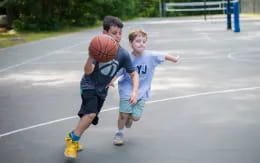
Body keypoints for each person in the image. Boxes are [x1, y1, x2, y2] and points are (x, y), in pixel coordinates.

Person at [64, 16, 139, 158]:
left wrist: (135, 91)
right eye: (114, 33)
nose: (118, 36)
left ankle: (72, 135)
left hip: (102, 89)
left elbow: (133, 74)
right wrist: (91, 57)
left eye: (120, 33)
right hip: (88, 84)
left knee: (90, 118)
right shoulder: (98, 47)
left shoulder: (122, 54)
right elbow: (87, 71)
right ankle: (72, 143)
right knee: (90, 114)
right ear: (104, 32)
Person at [112, 29, 179, 145]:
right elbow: (118, 72)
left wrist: (175, 59)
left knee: (136, 117)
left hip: (142, 91)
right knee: (123, 114)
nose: (141, 43)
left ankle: (129, 118)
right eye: (138, 41)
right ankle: (120, 133)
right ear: (131, 43)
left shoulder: (151, 56)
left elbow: (164, 56)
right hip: (127, 89)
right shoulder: (127, 58)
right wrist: (111, 81)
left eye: (144, 41)